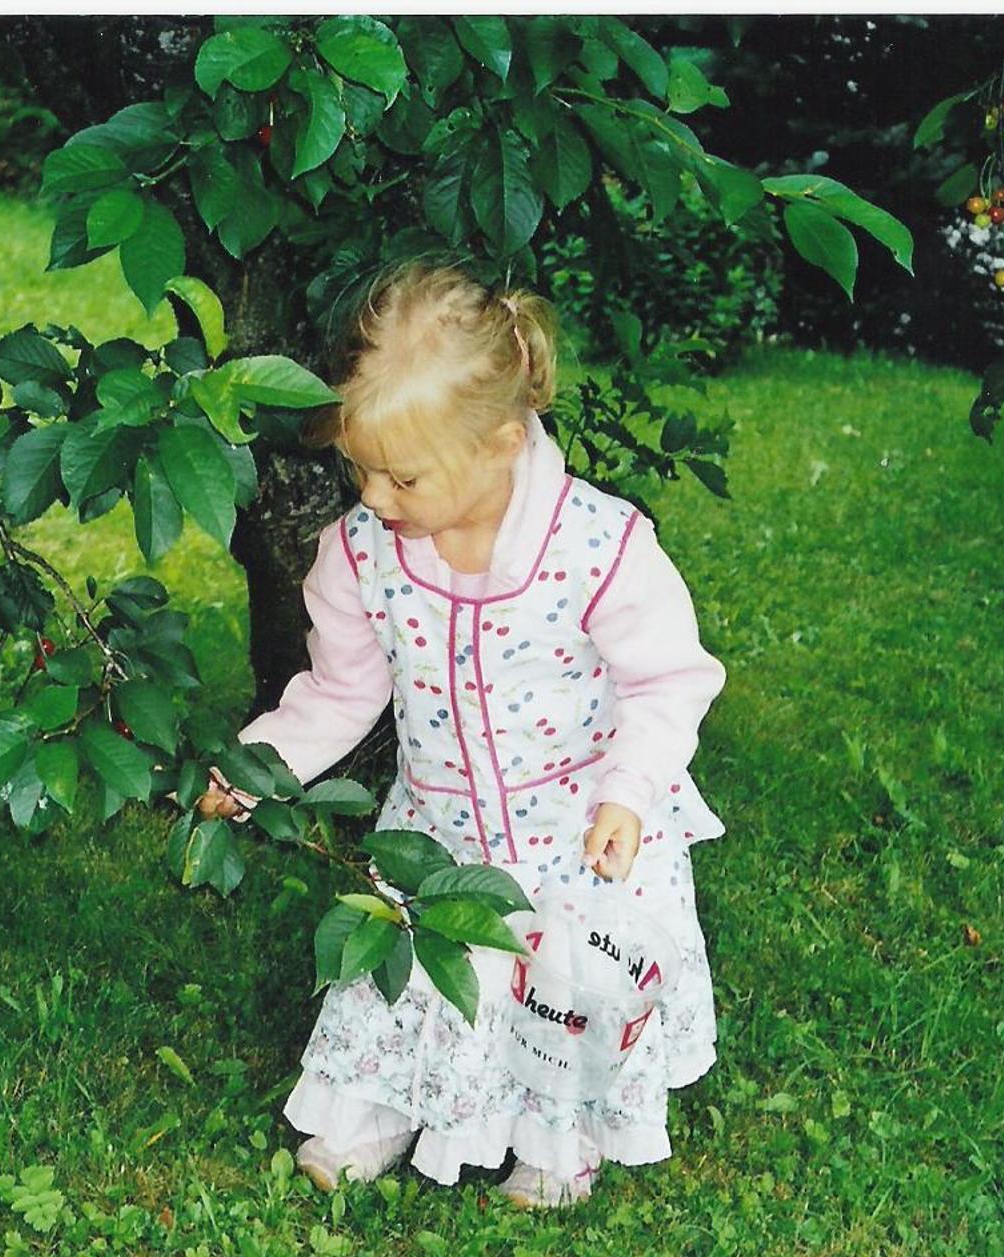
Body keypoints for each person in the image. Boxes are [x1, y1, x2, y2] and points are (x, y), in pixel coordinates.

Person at [199, 262, 726, 1209]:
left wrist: (631, 789)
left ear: (501, 443)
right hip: (440, 826)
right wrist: (256, 769)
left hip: (576, 834)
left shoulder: (596, 548)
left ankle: (558, 1134)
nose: (376, 496)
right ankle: (384, 1106)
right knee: (414, 974)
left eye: (403, 475)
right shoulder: (360, 553)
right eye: (361, 467)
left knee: (558, 987)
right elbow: (337, 689)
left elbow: (669, 677)